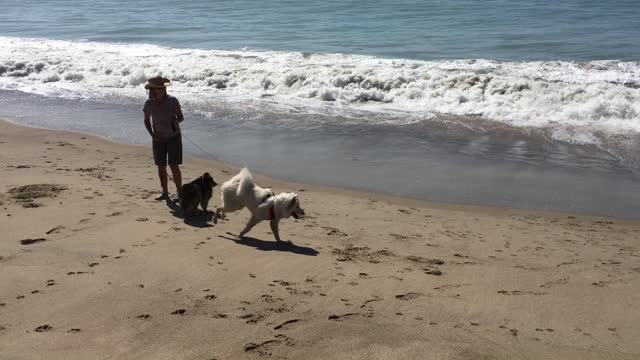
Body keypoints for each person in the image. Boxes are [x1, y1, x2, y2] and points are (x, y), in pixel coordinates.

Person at [143, 76, 184, 201]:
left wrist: (175, 121)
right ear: (152, 90)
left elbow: (181, 117)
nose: (162, 90)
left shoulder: (173, 101)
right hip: (158, 138)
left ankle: (179, 192)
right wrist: (152, 134)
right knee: (161, 166)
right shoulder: (149, 103)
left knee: (173, 165)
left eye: (163, 88)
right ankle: (165, 192)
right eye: (159, 88)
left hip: (173, 137)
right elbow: (146, 120)